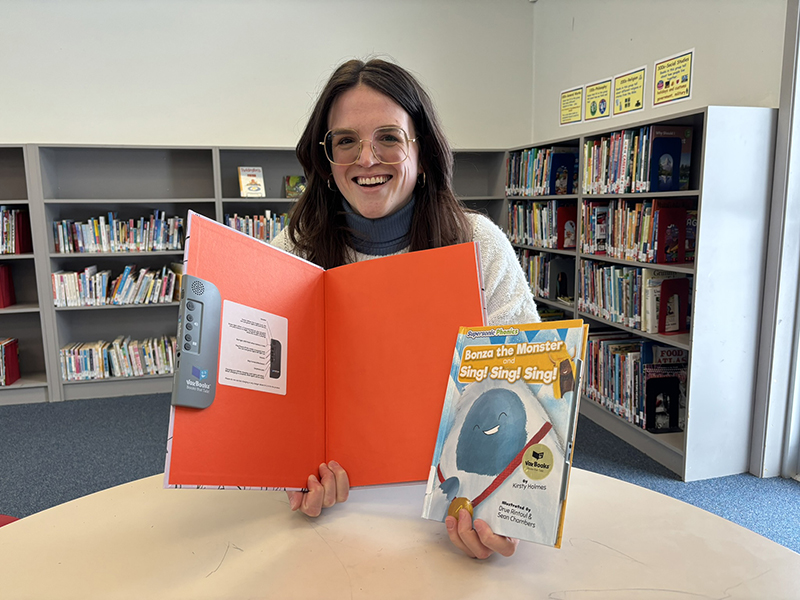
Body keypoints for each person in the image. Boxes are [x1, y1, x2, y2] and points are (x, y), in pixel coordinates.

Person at [271, 58, 540, 559]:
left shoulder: (479, 243)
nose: (366, 158)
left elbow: (524, 381)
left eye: (389, 137)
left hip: (450, 503)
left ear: (423, 151)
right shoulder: (290, 252)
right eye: (345, 141)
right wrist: (290, 470)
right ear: (326, 159)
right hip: (334, 508)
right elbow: (272, 397)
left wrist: (505, 503)